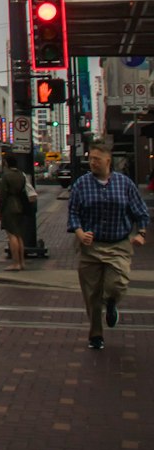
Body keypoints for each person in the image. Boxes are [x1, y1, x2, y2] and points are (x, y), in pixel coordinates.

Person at [67, 142, 149, 350]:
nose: (92, 162)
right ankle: (96, 335)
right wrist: (79, 233)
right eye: (90, 159)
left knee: (117, 283)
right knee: (91, 294)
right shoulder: (81, 184)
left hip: (118, 244)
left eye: (96, 159)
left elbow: (140, 212)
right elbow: (74, 213)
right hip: (91, 247)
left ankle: (111, 302)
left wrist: (141, 233)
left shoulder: (125, 184)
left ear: (107, 160)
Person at [0, 150, 29, 271]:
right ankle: (22, 262)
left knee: (11, 235)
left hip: (10, 207)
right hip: (20, 205)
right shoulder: (21, 174)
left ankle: (15, 263)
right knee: (19, 235)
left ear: (6, 163)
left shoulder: (6, 176)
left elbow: (3, 195)